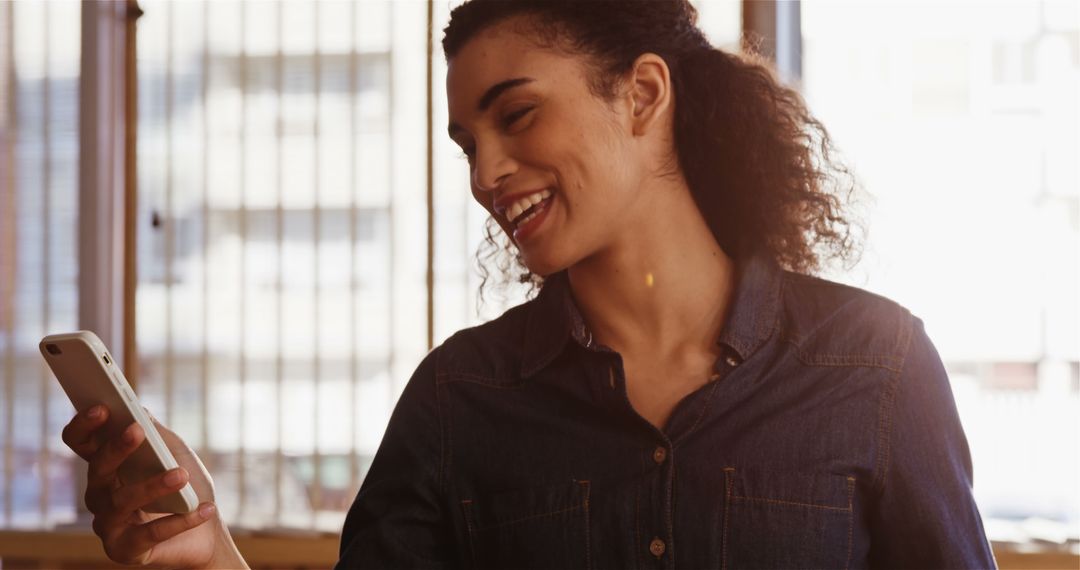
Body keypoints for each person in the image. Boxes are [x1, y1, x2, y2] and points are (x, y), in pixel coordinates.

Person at [61, 0, 998, 568]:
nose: (485, 172)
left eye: (517, 116)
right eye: (470, 144)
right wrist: (206, 551)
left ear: (642, 95)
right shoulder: (459, 401)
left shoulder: (876, 367)